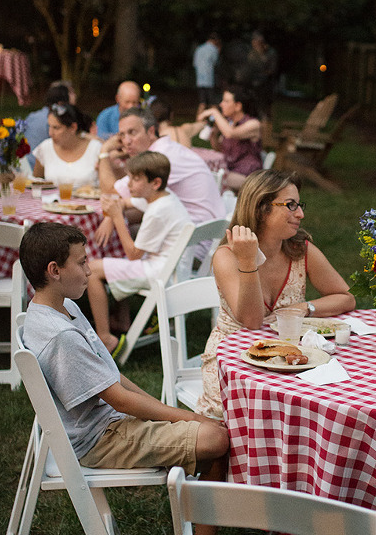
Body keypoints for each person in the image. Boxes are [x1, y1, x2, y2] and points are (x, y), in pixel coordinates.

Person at [18, 221, 228, 535]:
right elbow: (116, 397)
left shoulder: (61, 310)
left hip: (104, 425)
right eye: (82, 262)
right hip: (98, 439)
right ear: (54, 270)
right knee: (217, 440)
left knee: (211, 431)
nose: (90, 270)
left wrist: (166, 411)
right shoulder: (61, 336)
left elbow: (112, 377)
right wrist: (189, 417)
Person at [196, 169, 356, 418]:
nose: (301, 214)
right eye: (291, 205)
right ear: (261, 208)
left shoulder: (299, 249)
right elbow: (251, 322)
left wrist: (306, 307)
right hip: (233, 366)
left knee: (329, 404)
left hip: (286, 361)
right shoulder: (227, 256)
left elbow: (346, 297)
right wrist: (248, 262)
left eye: (299, 205)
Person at [85, 151, 191, 355]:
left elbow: (134, 254)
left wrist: (115, 217)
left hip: (161, 274)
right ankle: (123, 321)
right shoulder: (163, 198)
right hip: (174, 269)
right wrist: (112, 213)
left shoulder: (158, 212)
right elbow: (125, 202)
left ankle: (106, 338)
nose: (129, 185)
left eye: (135, 179)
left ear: (155, 182)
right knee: (114, 258)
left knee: (92, 269)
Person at [95, 108, 224, 250]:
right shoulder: (167, 149)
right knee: (120, 221)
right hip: (201, 236)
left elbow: (111, 192)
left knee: (110, 232)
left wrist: (104, 152)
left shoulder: (160, 158)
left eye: (132, 133)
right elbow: (131, 191)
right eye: (122, 135)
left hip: (190, 247)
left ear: (150, 132)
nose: (126, 141)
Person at [179, 88, 263, 192]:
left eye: (226, 101)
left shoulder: (253, 124)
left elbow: (230, 133)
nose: (221, 104)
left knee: (209, 179)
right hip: (229, 170)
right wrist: (213, 136)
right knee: (203, 175)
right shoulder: (229, 123)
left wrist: (214, 112)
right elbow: (219, 150)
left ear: (238, 106)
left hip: (248, 177)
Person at [33, 103, 102, 188]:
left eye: (56, 128)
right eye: (49, 127)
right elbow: (36, 182)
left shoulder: (96, 149)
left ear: (73, 127)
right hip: (52, 200)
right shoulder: (45, 148)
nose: (50, 133)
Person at [23, 81, 75, 171]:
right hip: (39, 170)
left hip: (23, 165)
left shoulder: (33, 116)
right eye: (71, 93)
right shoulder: (57, 121)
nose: (75, 96)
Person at [241, 31, 277, 119]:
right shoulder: (252, 53)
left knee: (265, 113)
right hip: (251, 87)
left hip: (265, 87)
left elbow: (271, 70)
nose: (254, 44)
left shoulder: (270, 53)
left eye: (256, 41)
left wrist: (261, 75)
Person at [192, 33, 222, 112]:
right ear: (216, 41)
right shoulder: (214, 49)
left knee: (202, 103)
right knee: (213, 103)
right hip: (210, 80)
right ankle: (216, 121)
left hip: (200, 80)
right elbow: (216, 64)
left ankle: (199, 120)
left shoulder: (199, 49)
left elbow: (195, 64)